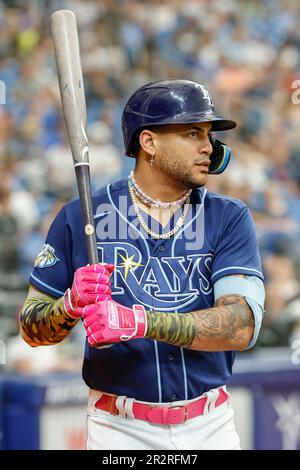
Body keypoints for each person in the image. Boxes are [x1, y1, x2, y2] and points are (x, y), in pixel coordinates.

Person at [20, 79, 265, 450]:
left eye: (209, 135)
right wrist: (69, 305)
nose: (208, 147)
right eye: (193, 133)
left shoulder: (228, 217)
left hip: (210, 425)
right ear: (149, 142)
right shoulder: (82, 216)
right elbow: (32, 328)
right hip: (119, 429)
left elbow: (241, 326)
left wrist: (139, 322)